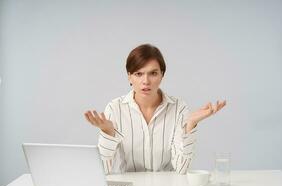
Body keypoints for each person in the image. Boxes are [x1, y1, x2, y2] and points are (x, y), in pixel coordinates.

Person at [84, 44, 226, 174]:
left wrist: (190, 125)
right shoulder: (114, 109)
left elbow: (182, 168)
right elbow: (102, 170)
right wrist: (108, 133)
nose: (146, 81)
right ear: (129, 77)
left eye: (153, 73)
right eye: (138, 74)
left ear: (162, 75)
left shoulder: (178, 108)